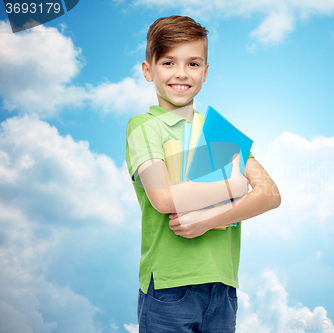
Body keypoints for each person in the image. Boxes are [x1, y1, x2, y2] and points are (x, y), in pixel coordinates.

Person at [125, 15, 281, 333]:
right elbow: (163, 198)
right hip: (169, 287)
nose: (181, 73)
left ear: (205, 72)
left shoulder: (218, 130)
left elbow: (271, 194)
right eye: (168, 62)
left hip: (222, 287)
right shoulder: (143, 127)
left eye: (193, 64)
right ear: (148, 70)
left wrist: (208, 219)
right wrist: (234, 185)